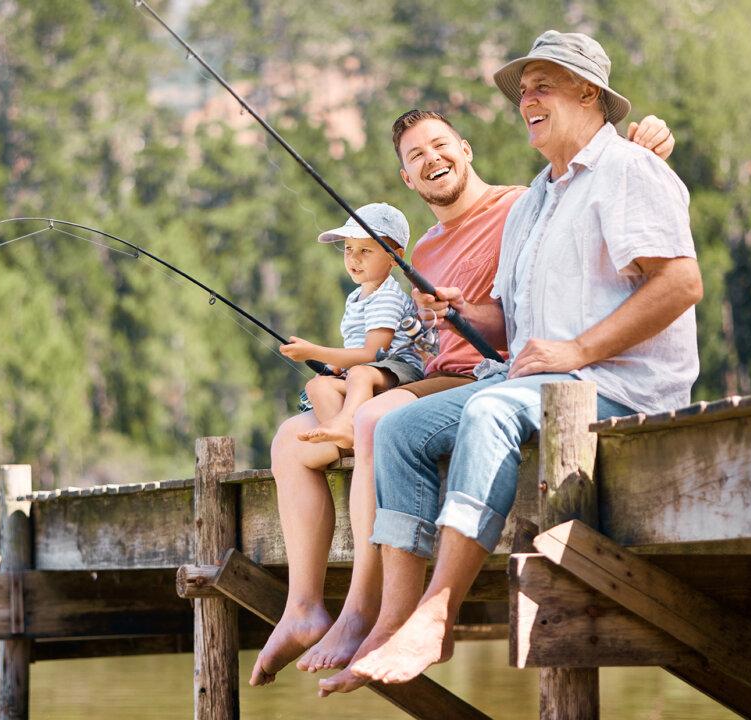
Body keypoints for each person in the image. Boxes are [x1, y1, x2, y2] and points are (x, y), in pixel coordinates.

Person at [252, 106, 676, 688]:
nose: (432, 160)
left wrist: (646, 144)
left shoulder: (522, 206)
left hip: (499, 378)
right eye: (415, 156)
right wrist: (443, 315)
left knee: (379, 418)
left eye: (439, 145)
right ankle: (304, 606)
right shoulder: (421, 251)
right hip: (442, 375)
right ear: (405, 177)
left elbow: (523, 316)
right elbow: (475, 324)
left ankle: (366, 612)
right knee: (289, 437)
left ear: (467, 147)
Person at [335, 30, 703, 692]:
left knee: (490, 407)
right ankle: (393, 618)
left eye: (542, 86)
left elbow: (680, 284)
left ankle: (438, 613)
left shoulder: (629, 171)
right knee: (396, 429)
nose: (525, 101)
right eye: (521, 91)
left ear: (588, 93)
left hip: (616, 387)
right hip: (540, 382)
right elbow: (512, 323)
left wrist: (578, 350)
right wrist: (463, 313)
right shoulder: (536, 196)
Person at [280, 203, 424, 449]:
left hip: (399, 373)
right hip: (368, 373)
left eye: (365, 250)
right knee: (317, 386)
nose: (354, 258)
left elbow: (372, 354)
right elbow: (355, 345)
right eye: (348, 249)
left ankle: (348, 426)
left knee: (359, 373)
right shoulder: (355, 297)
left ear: (395, 257)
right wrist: (332, 367)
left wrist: (313, 352)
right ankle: (348, 444)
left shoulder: (386, 296)